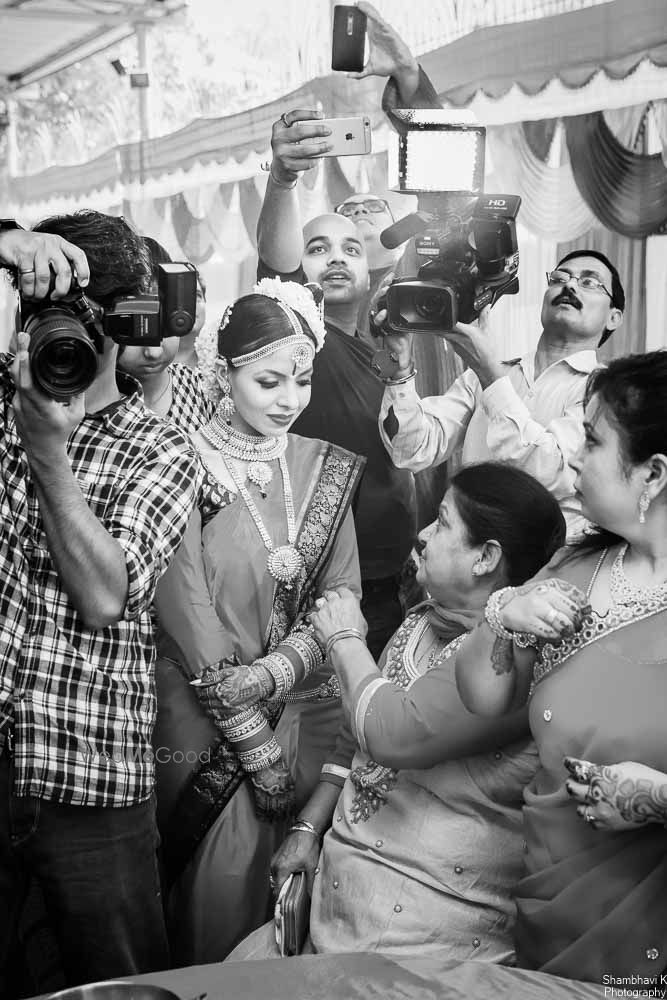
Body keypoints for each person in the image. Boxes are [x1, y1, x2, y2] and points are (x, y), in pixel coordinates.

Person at [230, 462, 566, 963]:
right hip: (337, 904)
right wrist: (307, 830)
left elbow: (390, 731)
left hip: (427, 940)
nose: (424, 535)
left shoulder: (511, 663)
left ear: (486, 558)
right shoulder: (420, 626)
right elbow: (354, 738)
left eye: (444, 522)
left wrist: (344, 638)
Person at [0, 212, 202, 994]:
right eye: (37, 308)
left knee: (118, 987)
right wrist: (8, 239)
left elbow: (103, 595)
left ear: (119, 324)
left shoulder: (159, 446)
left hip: (91, 781)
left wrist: (48, 450)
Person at [151, 278, 365, 964]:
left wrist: (277, 672)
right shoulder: (178, 460)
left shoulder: (322, 468)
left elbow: (341, 596)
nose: (289, 402)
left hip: (306, 717)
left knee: (291, 907)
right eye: (269, 382)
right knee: (217, 891)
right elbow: (184, 607)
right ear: (223, 373)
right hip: (200, 722)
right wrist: (250, 740)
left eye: (300, 382)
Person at [455, 351, 667, 983]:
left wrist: (659, 798)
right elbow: (484, 699)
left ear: (652, 473)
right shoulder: (579, 564)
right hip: (552, 905)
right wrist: (501, 615)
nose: (573, 455)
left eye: (593, 440)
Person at [257, 176, 416, 656]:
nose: (336, 259)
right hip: (322, 578)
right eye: (318, 248)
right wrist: (283, 179)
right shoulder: (302, 340)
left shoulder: (382, 351)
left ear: (371, 274)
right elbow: (279, 268)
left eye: (351, 249)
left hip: (388, 575)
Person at [116, 237, 214, 434]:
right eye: (137, 330)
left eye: (163, 325)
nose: (152, 352)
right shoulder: (86, 403)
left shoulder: (205, 390)